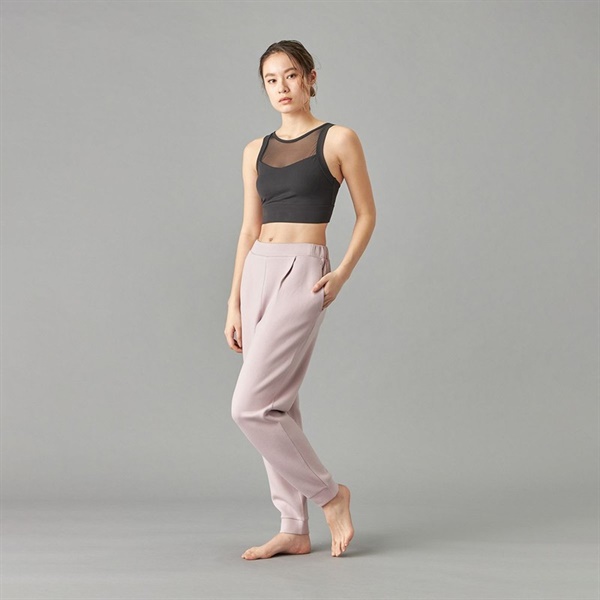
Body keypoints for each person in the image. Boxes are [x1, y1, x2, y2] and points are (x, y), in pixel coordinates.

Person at [224, 40, 376, 560]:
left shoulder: (338, 139)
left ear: (311, 77)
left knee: (250, 407)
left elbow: (367, 214)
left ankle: (331, 495)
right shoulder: (254, 150)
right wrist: (233, 302)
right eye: (271, 80)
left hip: (305, 270)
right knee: (279, 403)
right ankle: (293, 526)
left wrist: (342, 274)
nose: (281, 87)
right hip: (258, 270)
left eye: (290, 75)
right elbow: (248, 229)